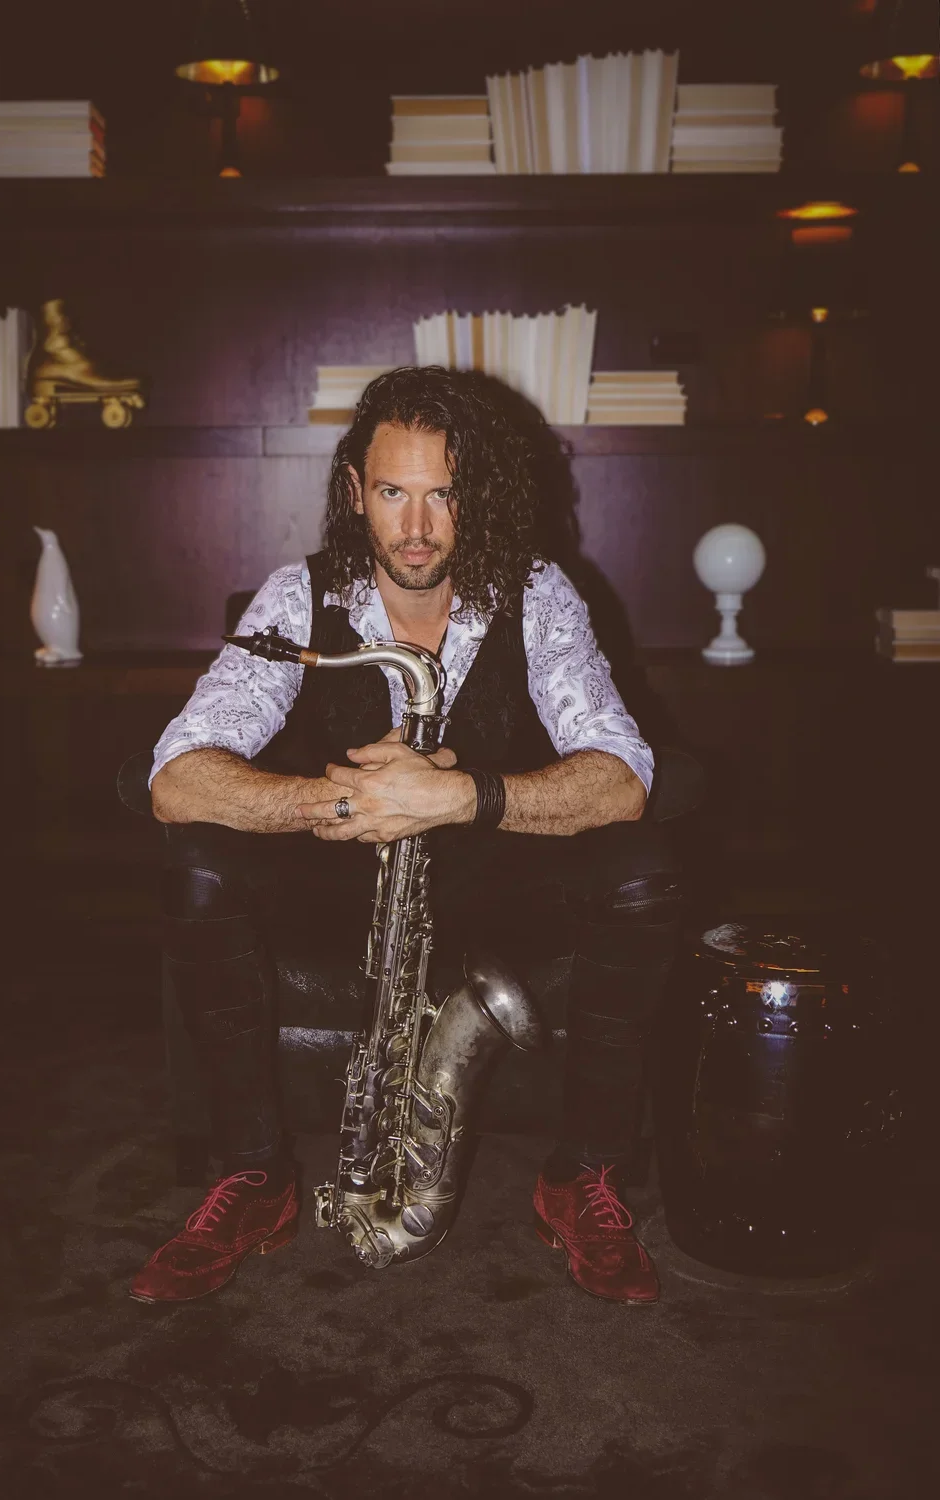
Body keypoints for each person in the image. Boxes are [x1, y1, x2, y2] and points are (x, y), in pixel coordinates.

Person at [130, 366, 683, 1307]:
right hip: (338, 880)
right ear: (356, 492)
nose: (418, 529)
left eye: (444, 495)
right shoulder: (295, 602)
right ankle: (255, 1176)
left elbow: (623, 776)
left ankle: (583, 1174)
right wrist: (337, 807)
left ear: (480, 497)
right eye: (394, 492)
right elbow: (177, 775)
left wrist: (456, 797)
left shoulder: (539, 594)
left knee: (643, 871)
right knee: (195, 871)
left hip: (495, 876)